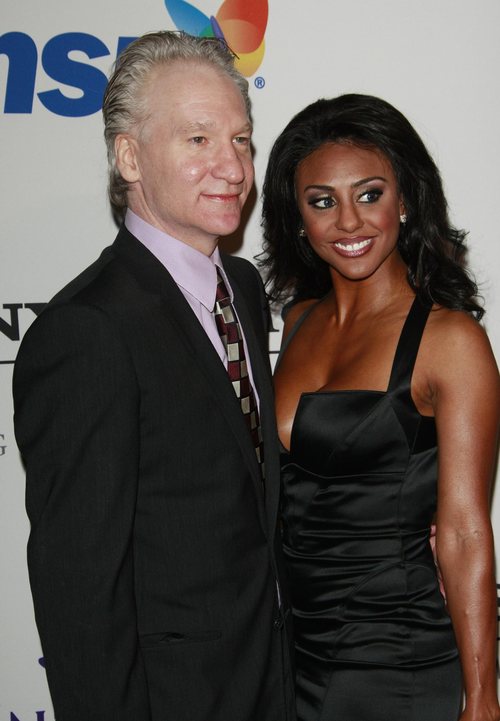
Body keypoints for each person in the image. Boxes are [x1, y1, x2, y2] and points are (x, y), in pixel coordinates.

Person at [13, 31, 295, 721]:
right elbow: (81, 593)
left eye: (241, 139)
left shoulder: (242, 288)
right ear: (130, 157)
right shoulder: (88, 333)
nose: (232, 166)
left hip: (271, 684)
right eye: (198, 139)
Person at [259, 93, 500, 721]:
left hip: (396, 658)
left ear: (406, 200)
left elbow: (464, 531)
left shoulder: (449, 340)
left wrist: (482, 701)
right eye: (322, 202)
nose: (349, 222)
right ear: (297, 217)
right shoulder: (297, 321)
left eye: (369, 194)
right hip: (294, 654)